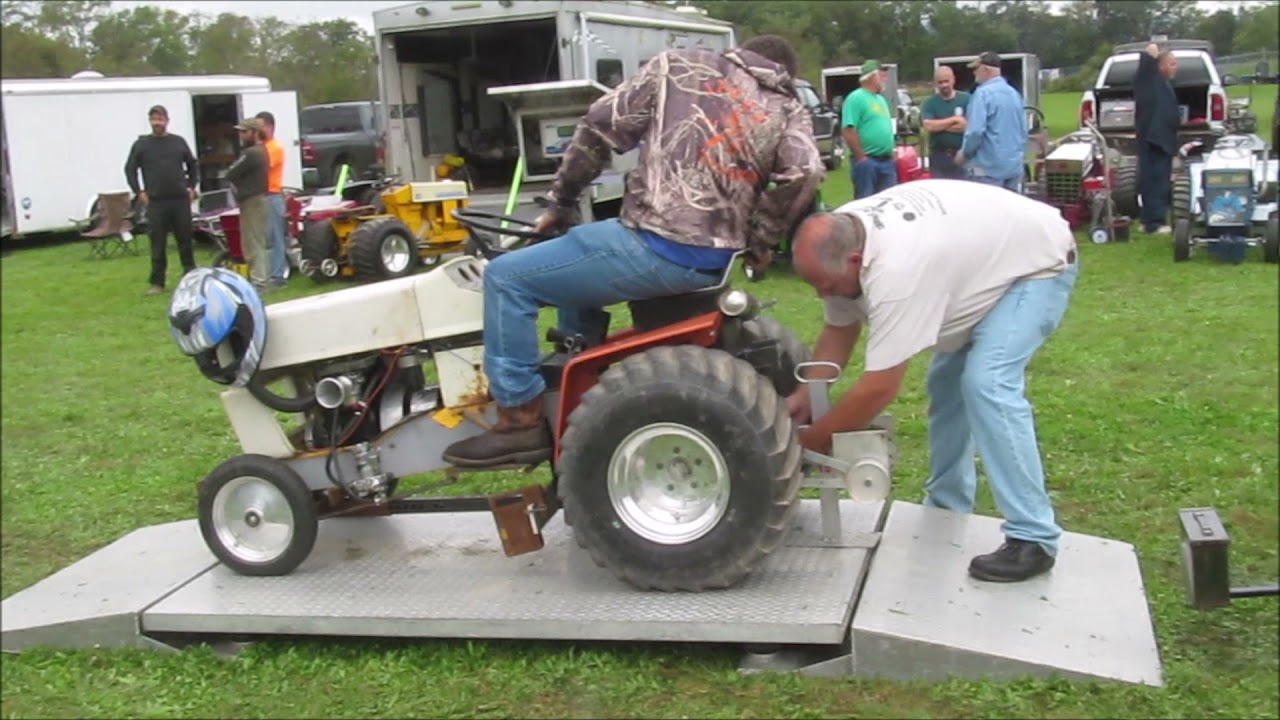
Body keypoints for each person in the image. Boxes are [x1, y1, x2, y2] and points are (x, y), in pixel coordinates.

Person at [441, 34, 825, 469]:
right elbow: (806, 170)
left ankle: (518, 419)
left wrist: (562, 202)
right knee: (585, 246)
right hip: (712, 262)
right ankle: (579, 364)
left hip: (655, 243)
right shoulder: (786, 105)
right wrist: (760, 240)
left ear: (740, 52)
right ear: (782, 72)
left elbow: (599, 126)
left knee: (506, 278)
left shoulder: (679, 66)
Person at [787, 179, 1078, 583]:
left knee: (987, 382)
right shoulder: (845, 236)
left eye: (828, 286)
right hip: (982, 263)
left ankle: (1034, 538)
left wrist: (811, 442)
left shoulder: (896, 269)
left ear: (855, 261)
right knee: (947, 384)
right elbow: (839, 328)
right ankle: (946, 509)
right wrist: (805, 394)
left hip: (1036, 266)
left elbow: (879, 388)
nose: (824, 296)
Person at [124, 105, 199, 296]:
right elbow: (130, 169)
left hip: (180, 199)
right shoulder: (142, 144)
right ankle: (157, 282)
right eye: (153, 120)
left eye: (160, 119)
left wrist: (192, 186)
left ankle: (191, 276)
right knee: (157, 242)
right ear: (150, 122)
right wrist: (138, 191)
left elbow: (192, 164)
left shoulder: (178, 142)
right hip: (156, 201)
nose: (157, 123)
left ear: (167, 120)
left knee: (185, 239)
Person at [955, 51, 1027, 191]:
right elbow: (1023, 130)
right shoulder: (1014, 94)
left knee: (986, 212)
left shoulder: (982, 94)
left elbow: (975, 132)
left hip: (987, 170)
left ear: (985, 69)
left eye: (976, 69)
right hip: (1013, 168)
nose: (974, 73)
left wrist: (964, 153)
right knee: (1010, 211)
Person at [1134, 43, 1179, 234]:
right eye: (1172, 63)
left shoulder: (1164, 83)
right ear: (1160, 66)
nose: (1176, 67)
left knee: (1158, 181)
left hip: (1162, 140)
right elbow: (1145, 68)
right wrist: (1150, 53)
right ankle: (1154, 223)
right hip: (1154, 140)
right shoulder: (1149, 81)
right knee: (1154, 182)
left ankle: (1149, 219)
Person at [224, 118, 271, 289]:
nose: (241, 135)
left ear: (255, 132)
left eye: (244, 132)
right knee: (253, 240)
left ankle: (260, 280)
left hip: (253, 200)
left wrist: (231, 173)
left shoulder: (252, 153)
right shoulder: (262, 150)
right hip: (256, 199)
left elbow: (231, 172)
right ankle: (259, 278)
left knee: (253, 241)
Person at [841, 60, 897, 199]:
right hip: (867, 162)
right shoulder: (855, 98)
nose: (885, 78)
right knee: (866, 201)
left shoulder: (881, 100)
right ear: (871, 76)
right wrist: (861, 158)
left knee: (888, 202)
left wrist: (892, 148)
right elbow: (848, 129)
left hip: (886, 161)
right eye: (881, 74)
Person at [255, 110, 288, 288]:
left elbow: (262, 167)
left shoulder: (274, 147)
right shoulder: (261, 147)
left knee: (275, 237)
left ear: (270, 126)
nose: (258, 130)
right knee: (264, 238)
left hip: (272, 195)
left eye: (261, 126)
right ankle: (265, 274)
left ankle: (278, 276)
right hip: (260, 196)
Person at [920, 66, 970, 180]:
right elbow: (928, 126)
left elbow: (968, 126)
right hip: (939, 156)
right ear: (935, 84)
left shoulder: (966, 99)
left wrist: (940, 126)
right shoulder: (929, 103)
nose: (944, 85)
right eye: (940, 82)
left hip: (962, 155)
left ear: (953, 80)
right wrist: (954, 120)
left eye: (946, 81)